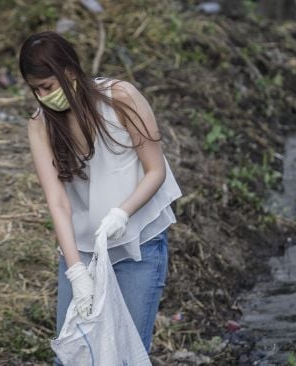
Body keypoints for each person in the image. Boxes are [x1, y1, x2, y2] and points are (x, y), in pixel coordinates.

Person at [18, 31, 182, 365]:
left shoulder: (119, 97)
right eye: (36, 89)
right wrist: (76, 271)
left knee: (125, 355)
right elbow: (58, 201)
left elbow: (155, 170)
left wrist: (122, 213)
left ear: (70, 71)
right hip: (85, 253)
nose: (44, 96)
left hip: (139, 246)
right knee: (73, 355)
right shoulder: (40, 124)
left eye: (48, 86)